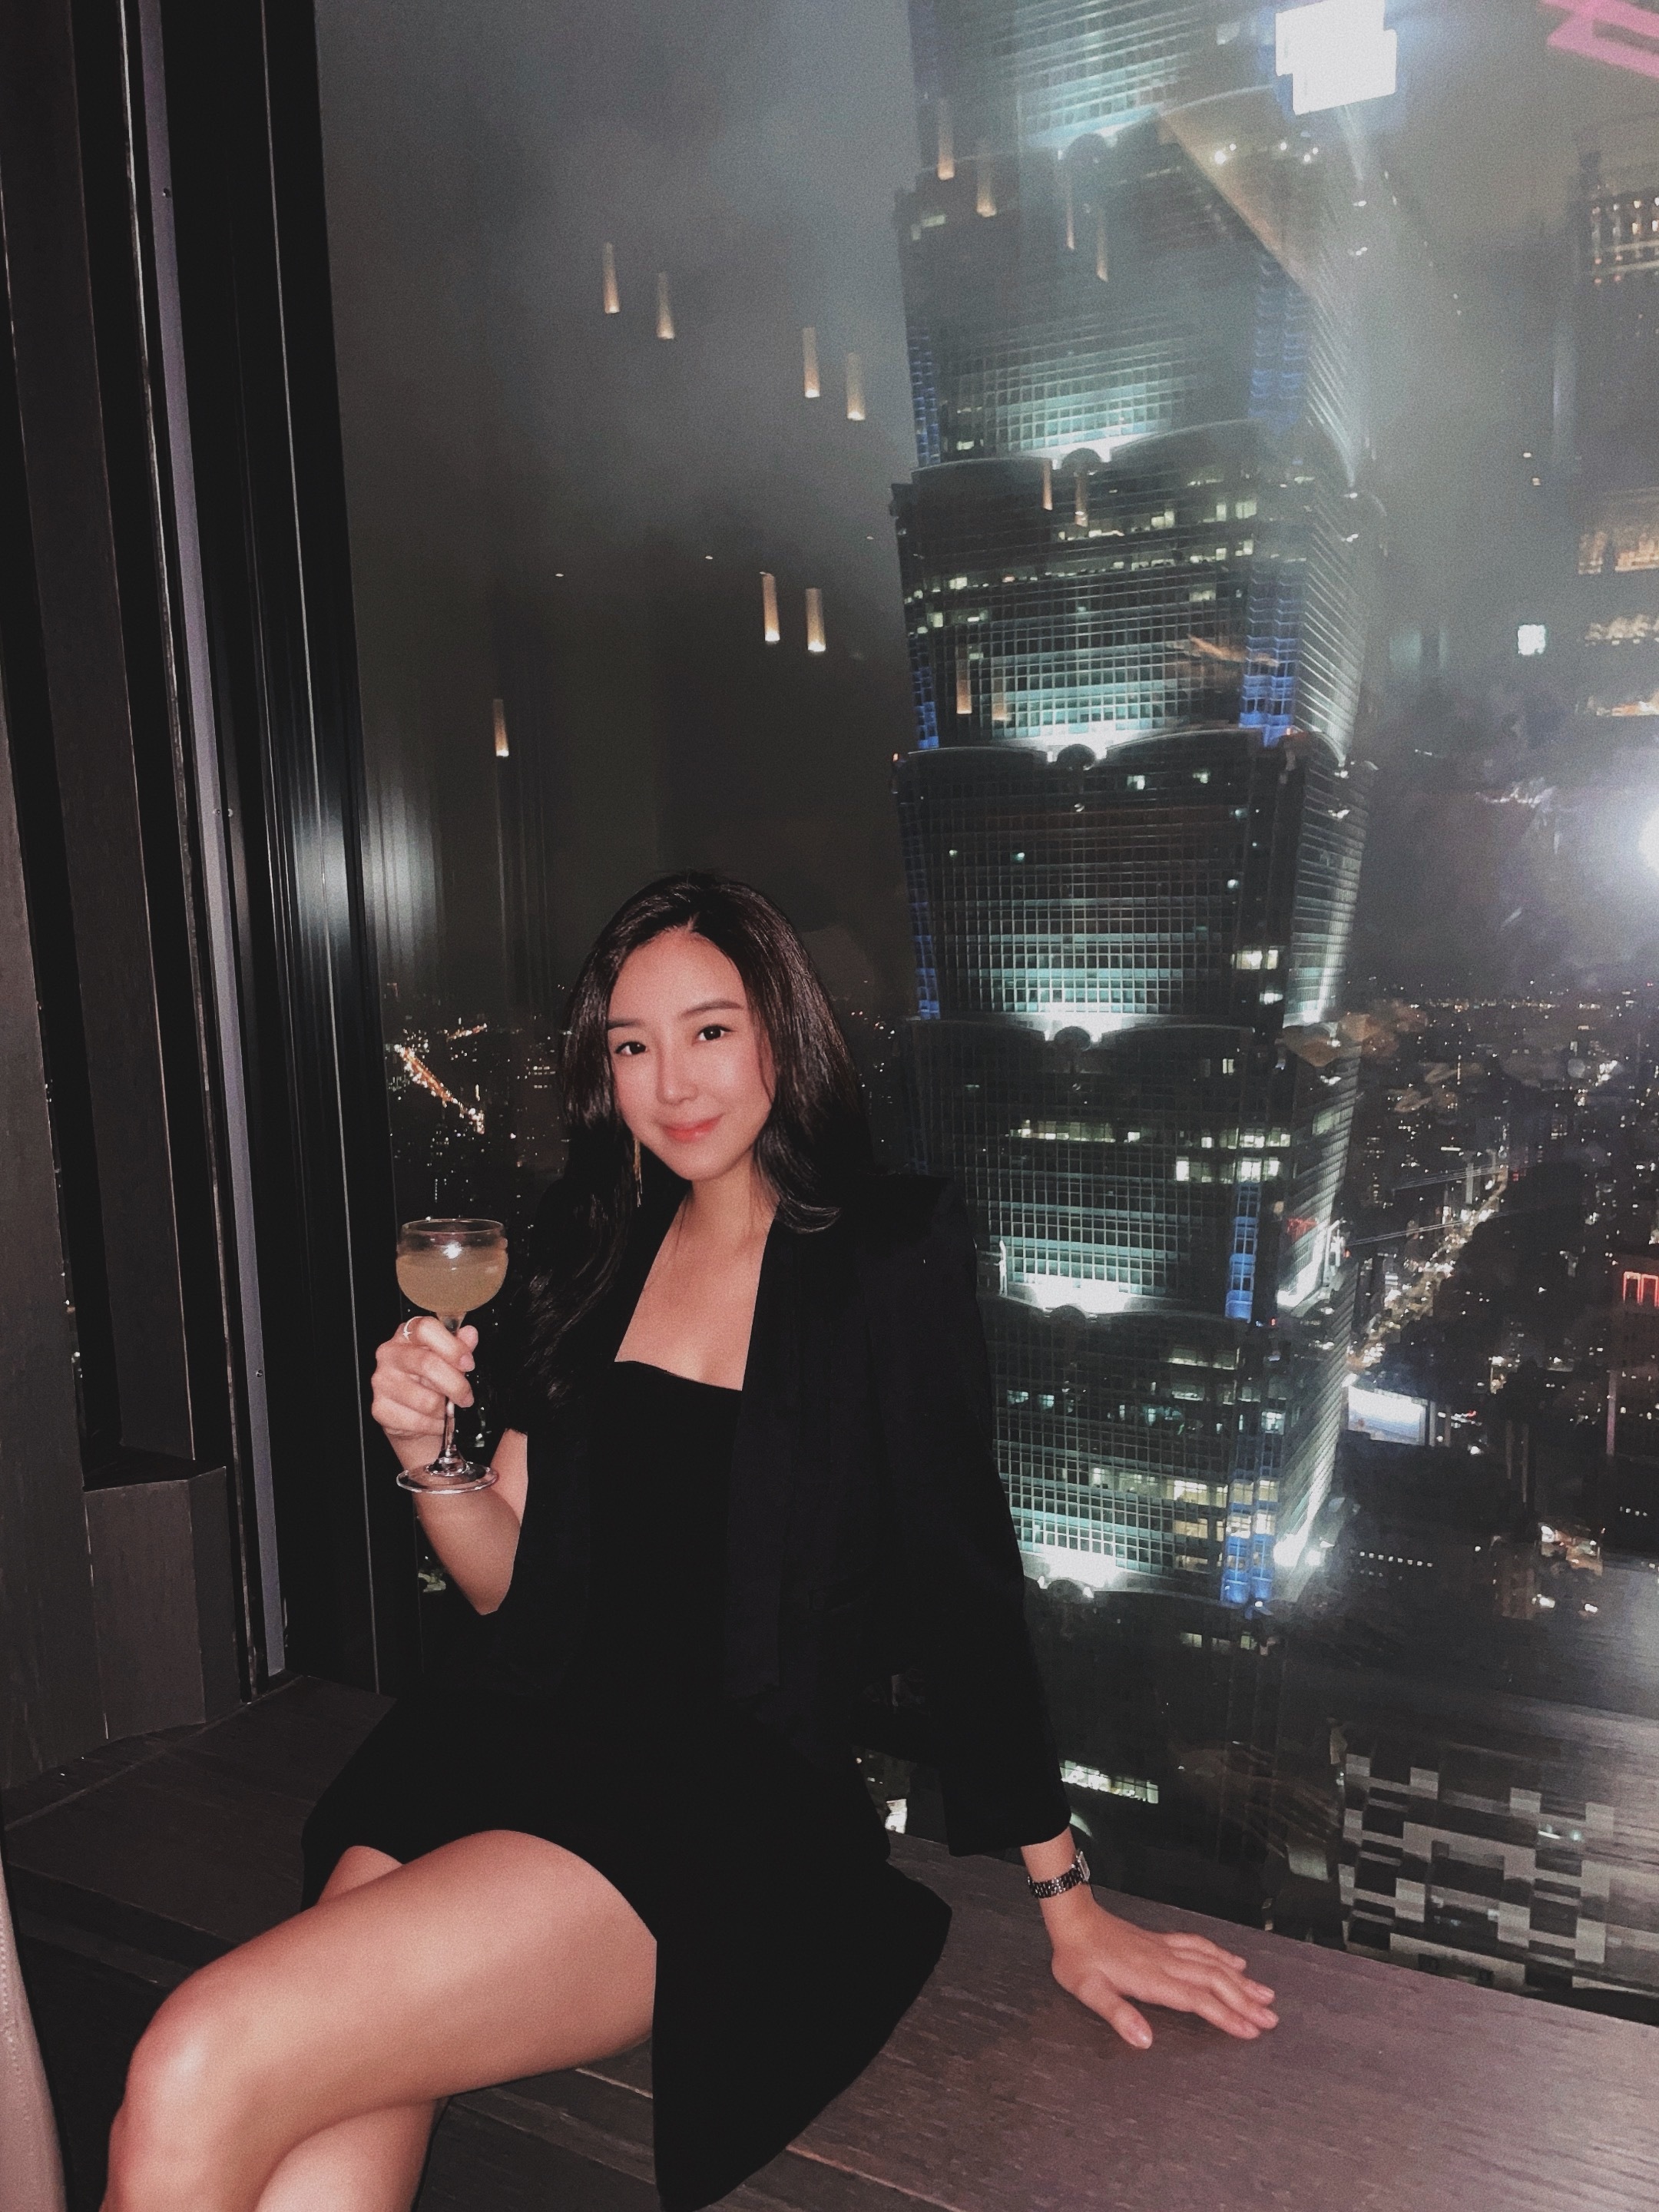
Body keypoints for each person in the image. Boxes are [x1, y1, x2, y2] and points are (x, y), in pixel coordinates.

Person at [101, 872, 1277, 2212]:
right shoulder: (593, 1243)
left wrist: (1068, 1899)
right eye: (631, 1045)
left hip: (707, 1800)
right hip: (490, 1737)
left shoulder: (882, 1256)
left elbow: (962, 1577)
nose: (672, 1083)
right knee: (316, 2119)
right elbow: (512, 1588)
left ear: (783, 1029)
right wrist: (435, 1459)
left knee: (201, 2059)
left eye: (710, 1031)